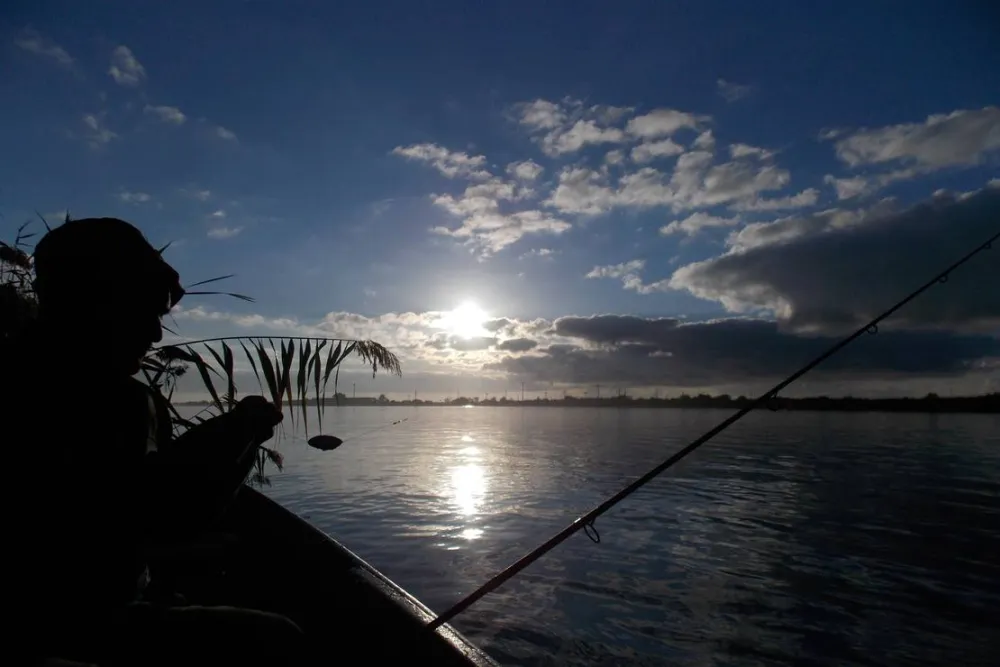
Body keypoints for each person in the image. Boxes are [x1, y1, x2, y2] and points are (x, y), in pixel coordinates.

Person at [2, 218, 304, 666]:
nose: (156, 335)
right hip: (68, 626)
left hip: (76, 612)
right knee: (279, 638)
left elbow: (124, 511)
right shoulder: (113, 400)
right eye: (146, 312)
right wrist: (239, 432)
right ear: (94, 300)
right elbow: (162, 517)